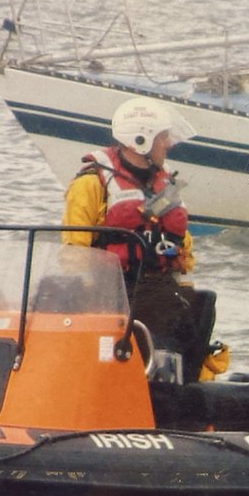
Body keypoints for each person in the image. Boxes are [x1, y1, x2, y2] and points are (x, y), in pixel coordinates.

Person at [62, 96, 199, 355]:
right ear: (141, 140)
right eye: (163, 138)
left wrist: (186, 288)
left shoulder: (165, 185)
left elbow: (184, 247)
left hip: (159, 290)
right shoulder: (91, 183)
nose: (168, 144)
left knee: (193, 337)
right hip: (111, 292)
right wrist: (91, 301)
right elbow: (75, 255)